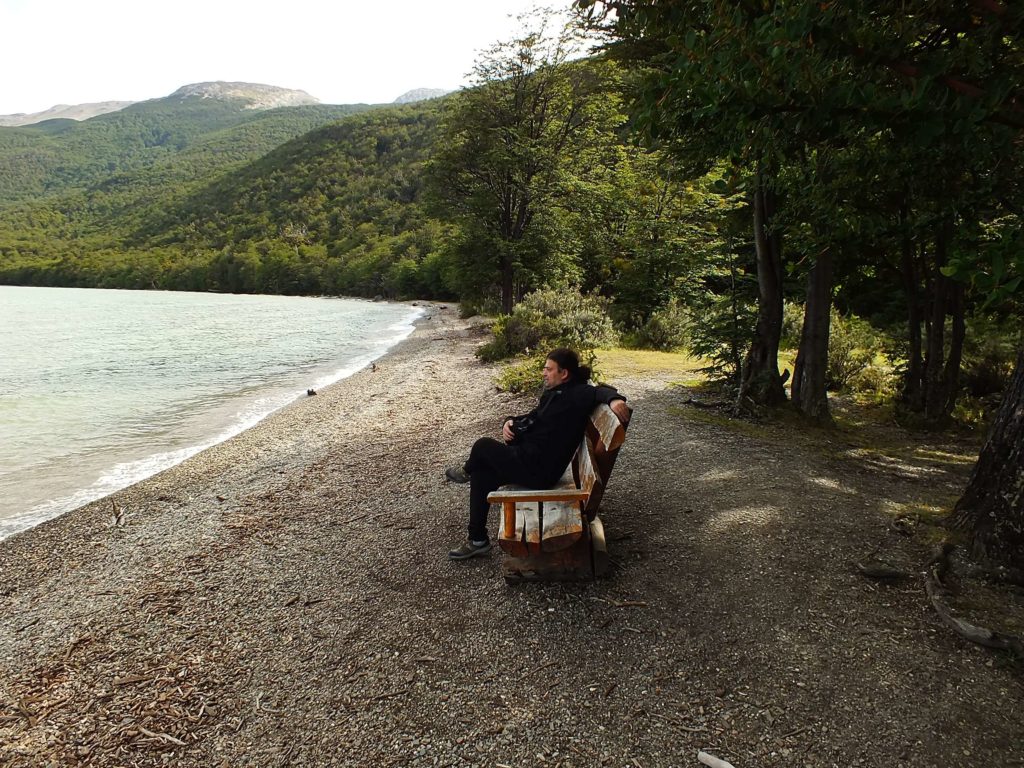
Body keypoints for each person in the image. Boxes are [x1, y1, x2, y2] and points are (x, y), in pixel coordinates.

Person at [445, 347, 630, 560]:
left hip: (539, 470)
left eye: (549, 369)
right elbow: (535, 416)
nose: (544, 372)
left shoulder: (576, 393)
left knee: (482, 445)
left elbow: (599, 391)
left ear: (564, 373)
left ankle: (465, 472)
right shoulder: (554, 394)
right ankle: (477, 540)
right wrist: (509, 420)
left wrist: (615, 399)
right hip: (530, 460)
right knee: (483, 472)